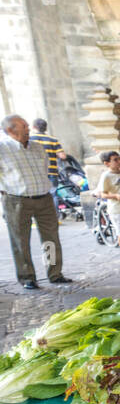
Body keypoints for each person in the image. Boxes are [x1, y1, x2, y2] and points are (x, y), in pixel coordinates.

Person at [1, 114, 68, 289]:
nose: (28, 128)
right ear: (10, 130)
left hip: (44, 198)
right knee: (20, 240)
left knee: (51, 238)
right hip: (16, 201)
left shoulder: (38, 147)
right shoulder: (2, 149)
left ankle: (55, 273)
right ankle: (27, 277)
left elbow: (45, 168)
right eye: (23, 126)